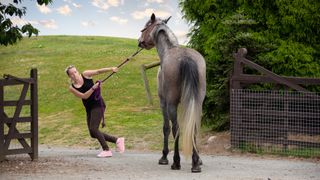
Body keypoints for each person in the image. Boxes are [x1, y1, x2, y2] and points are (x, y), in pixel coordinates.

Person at [65, 65, 125, 158]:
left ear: (78, 71)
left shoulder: (85, 74)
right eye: (72, 74)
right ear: (69, 76)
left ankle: (106, 150)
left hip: (98, 104)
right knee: (93, 133)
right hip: (89, 108)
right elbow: (84, 96)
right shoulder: (72, 87)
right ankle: (117, 140)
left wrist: (111, 69)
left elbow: (98, 71)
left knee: (94, 128)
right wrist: (93, 88)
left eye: (75, 72)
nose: (75, 74)